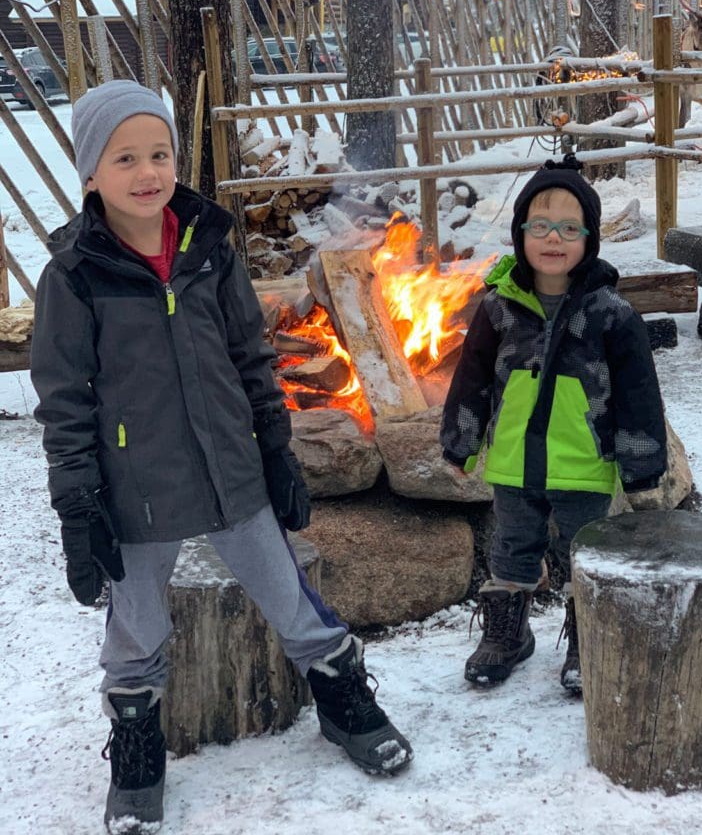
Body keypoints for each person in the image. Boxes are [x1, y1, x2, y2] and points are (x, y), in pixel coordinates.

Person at [30, 80, 413, 835]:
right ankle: (138, 743)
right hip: (135, 489)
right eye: (125, 158)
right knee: (135, 628)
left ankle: (341, 699)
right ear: (90, 174)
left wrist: (275, 448)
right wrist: (78, 505)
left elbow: (250, 355)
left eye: (160, 153)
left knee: (290, 595)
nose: (148, 173)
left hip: (233, 473)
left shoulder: (209, 249)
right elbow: (64, 399)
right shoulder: (75, 276)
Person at [440, 155, 667, 694]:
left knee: (581, 553)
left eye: (570, 227)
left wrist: (641, 467)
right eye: (539, 226)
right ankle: (508, 633)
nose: (553, 239)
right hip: (516, 461)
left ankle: (589, 636)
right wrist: (460, 445)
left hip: (583, 462)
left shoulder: (610, 312)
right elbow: (470, 381)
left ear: (590, 237)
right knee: (511, 547)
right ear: (521, 233)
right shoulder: (498, 308)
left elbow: (638, 393)